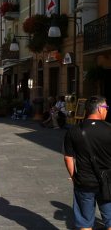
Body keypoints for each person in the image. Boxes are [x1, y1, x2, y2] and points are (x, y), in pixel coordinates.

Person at [64, 95, 111, 230]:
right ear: (100, 109)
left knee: (84, 222)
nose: (107, 110)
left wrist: (74, 176)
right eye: (106, 107)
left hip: (84, 181)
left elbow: (68, 157)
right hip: (108, 182)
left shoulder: (73, 131)